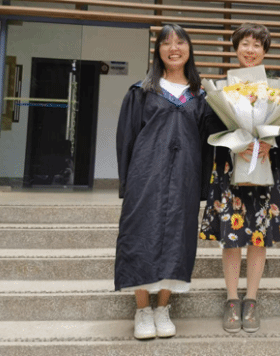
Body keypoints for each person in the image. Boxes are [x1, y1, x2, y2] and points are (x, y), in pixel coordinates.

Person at [115, 23, 214, 340]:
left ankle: (163, 308)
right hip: (145, 176)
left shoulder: (201, 95)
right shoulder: (142, 91)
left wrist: (202, 186)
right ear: (157, 51)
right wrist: (127, 183)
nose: (174, 48)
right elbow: (126, 139)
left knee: (178, 238)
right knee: (139, 236)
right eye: (166, 43)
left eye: (180, 42)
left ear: (189, 49)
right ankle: (142, 310)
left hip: (184, 177)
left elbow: (208, 145)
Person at [199, 23, 280, 333]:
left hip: (265, 165)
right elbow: (210, 124)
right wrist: (236, 142)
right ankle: (231, 299)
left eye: (256, 45)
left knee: (259, 234)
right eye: (245, 44)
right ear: (235, 47)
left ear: (265, 51)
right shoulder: (221, 88)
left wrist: (269, 141)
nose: (250, 50)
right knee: (231, 234)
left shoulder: (275, 88)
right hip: (230, 168)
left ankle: (250, 299)